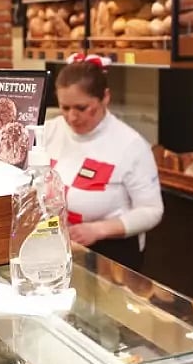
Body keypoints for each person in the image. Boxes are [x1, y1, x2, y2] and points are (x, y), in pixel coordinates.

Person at [43, 54, 163, 271]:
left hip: (113, 256)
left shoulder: (131, 145)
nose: (72, 117)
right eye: (65, 108)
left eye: (82, 108)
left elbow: (151, 210)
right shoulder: (50, 131)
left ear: (105, 97)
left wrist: (98, 230)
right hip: (56, 247)